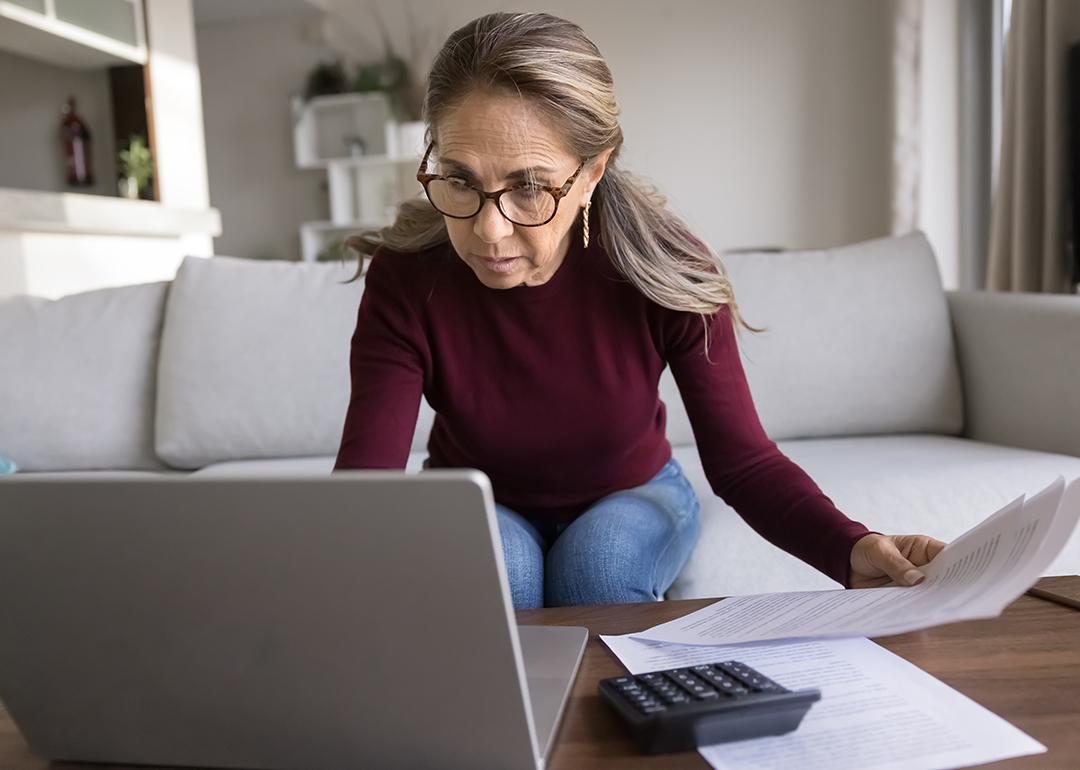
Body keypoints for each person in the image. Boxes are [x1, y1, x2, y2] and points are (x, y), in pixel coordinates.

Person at [333, 12, 945, 609]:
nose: (489, 231)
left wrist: (850, 546)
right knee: (504, 580)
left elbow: (744, 462)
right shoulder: (408, 279)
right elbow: (368, 488)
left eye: (528, 188)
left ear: (592, 171)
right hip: (474, 497)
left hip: (635, 491)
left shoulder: (668, 270)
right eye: (460, 180)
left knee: (596, 572)